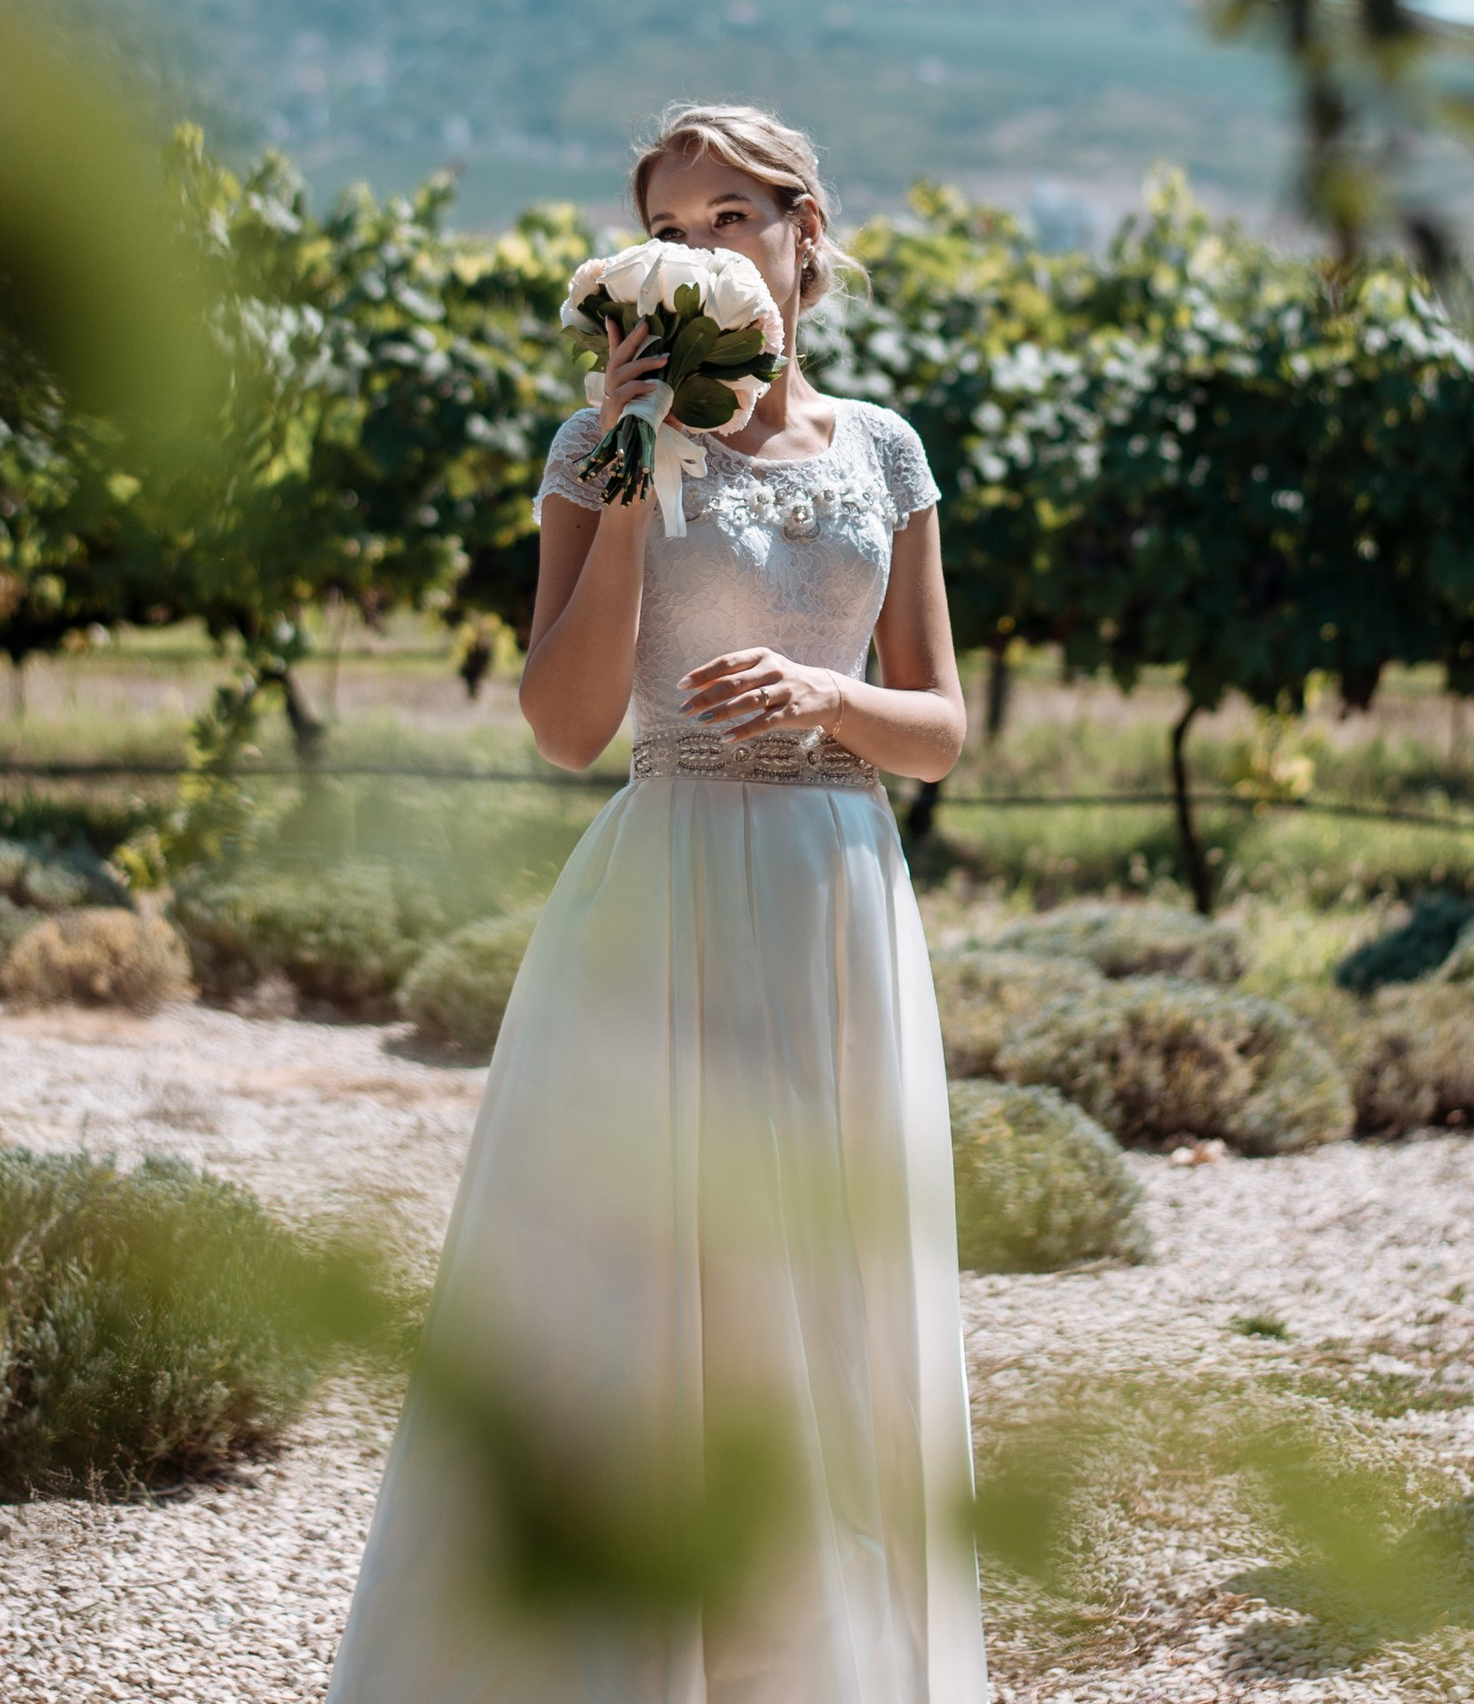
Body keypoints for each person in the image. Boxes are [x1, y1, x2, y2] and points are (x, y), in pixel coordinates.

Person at [326, 103, 987, 1704]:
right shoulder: (590, 451)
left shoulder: (885, 451)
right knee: (632, 1297)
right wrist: (628, 469)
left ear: (804, 237)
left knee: (822, 1299)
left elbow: (946, 731)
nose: (701, 258)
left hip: (836, 900)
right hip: (663, 884)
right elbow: (566, 730)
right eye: (671, 234)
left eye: (732, 223)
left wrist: (830, 698)